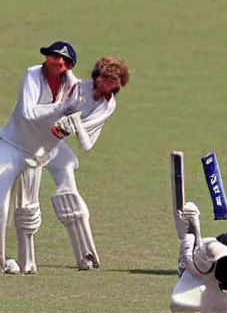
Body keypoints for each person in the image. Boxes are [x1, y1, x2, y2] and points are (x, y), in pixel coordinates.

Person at [0, 41, 80, 274]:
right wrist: (62, 108)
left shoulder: (73, 85)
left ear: (69, 65)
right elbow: (28, 113)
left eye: (64, 60)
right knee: (2, 200)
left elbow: (77, 119)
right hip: (14, 143)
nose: (58, 62)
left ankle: (86, 253)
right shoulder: (33, 74)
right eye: (54, 57)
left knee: (68, 172)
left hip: (46, 147)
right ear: (47, 57)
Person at [45, 56, 130, 270]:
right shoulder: (76, 87)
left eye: (115, 83)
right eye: (108, 80)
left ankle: (86, 255)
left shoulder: (108, 104)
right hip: (33, 135)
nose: (111, 87)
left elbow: (86, 141)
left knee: (69, 190)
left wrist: (72, 124)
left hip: (55, 145)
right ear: (97, 77)